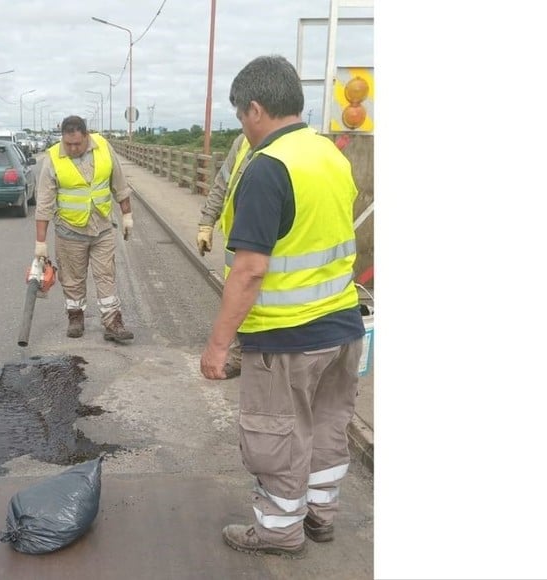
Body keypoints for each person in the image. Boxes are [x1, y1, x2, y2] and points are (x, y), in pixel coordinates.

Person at [200, 55, 365, 559]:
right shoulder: (329, 155)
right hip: (342, 326)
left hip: (288, 337)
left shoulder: (268, 167)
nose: (242, 128)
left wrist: (218, 344)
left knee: (278, 436)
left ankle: (277, 531)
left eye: (239, 116)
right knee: (328, 426)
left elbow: (249, 270)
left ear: (254, 109)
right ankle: (320, 515)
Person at [34, 115, 135, 343]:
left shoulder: (103, 147)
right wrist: (40, 243)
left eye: (77, 143)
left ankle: (112, 322)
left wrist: (127, 215)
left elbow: (119, 184)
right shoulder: (53, 158)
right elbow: (44, 204)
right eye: (67, 144)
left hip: (102, 228)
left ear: (86, 136)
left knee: (105, 275)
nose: (72, 148)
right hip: (70, 231)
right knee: (72, 279)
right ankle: (75, 317)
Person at [196, 132, 251, 379]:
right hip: (240, 238)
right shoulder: (243, 142)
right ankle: (240, 354)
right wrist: (207, 223)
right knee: (238, 294)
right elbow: (222, 184)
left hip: (279, 240)